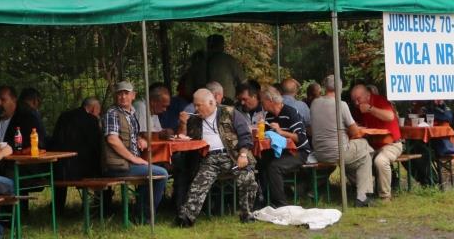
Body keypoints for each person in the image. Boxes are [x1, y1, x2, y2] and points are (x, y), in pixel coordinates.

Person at [174, 89, 257, 227]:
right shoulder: (194, 119)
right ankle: (185, 219)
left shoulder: (229, 112)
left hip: (233, 156)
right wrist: (183, 124)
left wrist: (243, 155)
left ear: (211, 103)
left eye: (199, 105)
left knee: (247, 178)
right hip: (209, 159)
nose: (196, 109)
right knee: (198, 185)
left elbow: (245, 136)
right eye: (195, 105)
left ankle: (246, 215)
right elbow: (185, 139)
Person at [101, 81, 168, 220]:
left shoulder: (131, 113)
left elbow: (129, 135)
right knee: (162, 174)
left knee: (156, 170)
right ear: (115, 96)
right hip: (118, 166)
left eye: (126, 93)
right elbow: (112, 139)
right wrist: (134, 158)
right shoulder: (112, 113)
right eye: (119, 94)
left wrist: (140, 139)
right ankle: (146, 216)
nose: (123, 97)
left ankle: (140, 213)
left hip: (129, 164)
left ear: (133, 95)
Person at [309, 75, 372, 207]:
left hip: (319, 153)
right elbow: (354, 131)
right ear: (340, 88)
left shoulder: (314, 103)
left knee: (361, 156)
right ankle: (362, 196)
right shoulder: (341, 105)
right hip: (339, 152)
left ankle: (360, 189)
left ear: (325, 87)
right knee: (365, 150)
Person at [257, 87, 310, 208]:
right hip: (280, 151)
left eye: (262, 101)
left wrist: (281, 132)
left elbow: (300, 138)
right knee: (260, 163)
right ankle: (263, 200)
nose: (261, 104)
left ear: (270, 100)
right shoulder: (269, 116)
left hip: (298, 152)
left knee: (274, 167)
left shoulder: (291, 112)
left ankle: (280, 204)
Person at [51, 97, 105, 213]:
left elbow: (55, 140)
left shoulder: (64, 116)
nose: (98, 114)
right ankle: (102, 208)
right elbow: (96, 146)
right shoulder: (91, 120)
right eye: (98, 111)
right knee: (103, 170)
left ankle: (58, 208)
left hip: (60, 168)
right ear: (94, 108)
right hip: (81, 170)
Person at [350, 83, 403, 201]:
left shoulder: (380, 100)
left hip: (391, 144)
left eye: (358, 99)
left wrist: (370, 109)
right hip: (373, 145)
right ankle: (365, 192)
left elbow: (390, 116)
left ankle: (385, 196)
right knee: (353, 160)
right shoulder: (358, 108)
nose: (356, 103)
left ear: (367, 95)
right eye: (354, 101)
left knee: (381, 161)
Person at [201, 34, 244, 101]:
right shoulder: (228, 60)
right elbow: (243, 81)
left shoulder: (201, 61)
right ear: (221, 46)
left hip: (205, 99)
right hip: (226, 99)